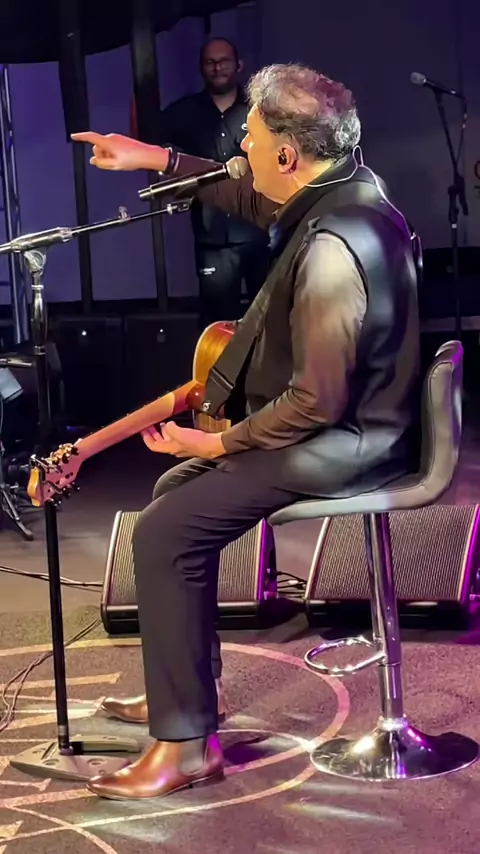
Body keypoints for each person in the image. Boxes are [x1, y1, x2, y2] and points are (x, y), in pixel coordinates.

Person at [72, 62, 421, 801]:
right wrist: (153, 158)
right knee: (174, 495)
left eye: (250, 140)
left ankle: (185, 748)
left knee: (166, 529)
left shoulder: (332, 246)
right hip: (353, 422)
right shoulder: (343, 189)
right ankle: (190, 694)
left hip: (350, 439)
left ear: (287, 154)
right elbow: (245, 193)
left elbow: (316, 402)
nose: (241, 153)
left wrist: (219, 442)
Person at [151, 37, 270, 327]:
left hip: (259, 232)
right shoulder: (183, 112)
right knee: (218, 324)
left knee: (269, 318)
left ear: (238, 65)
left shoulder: (261, 111)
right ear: (202, 68)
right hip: (212, 236)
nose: (217, 68)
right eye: (210, 62)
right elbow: (158, 153)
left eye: (224, 61)